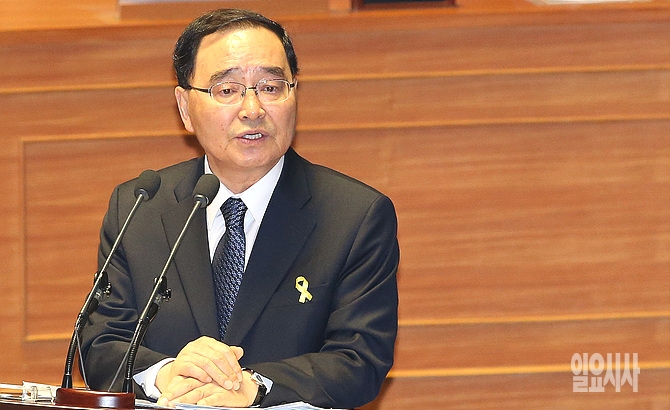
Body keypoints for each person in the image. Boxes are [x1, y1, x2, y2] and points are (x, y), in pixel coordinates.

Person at [80, 8, 399, 409]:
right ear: (185, 108)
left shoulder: (354, 216)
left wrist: (254, 386)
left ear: (294, 95)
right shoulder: (140, 206)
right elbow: (100, 343)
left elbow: (360, 361)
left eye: (271, 87)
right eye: (227, 90)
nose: (252, 109)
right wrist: (165, 374)